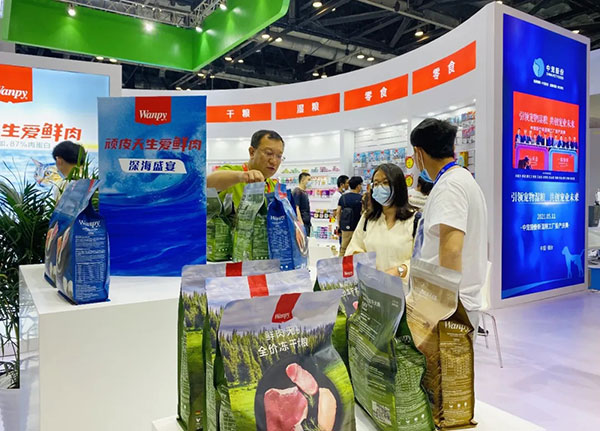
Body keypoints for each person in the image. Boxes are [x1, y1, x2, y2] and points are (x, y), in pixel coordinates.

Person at [410, 118, 488, 332]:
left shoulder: (450, 187)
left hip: (448, 308)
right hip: (452, 304)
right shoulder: (460, 180)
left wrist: (445, 310)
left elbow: (452, 250)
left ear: (418, 153)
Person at [345, 163, 417, 282]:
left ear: (398, 185)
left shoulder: (414, 220)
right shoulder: (367, 219)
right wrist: (361, 261)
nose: (379, 188)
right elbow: (354, 247)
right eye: (376, 183)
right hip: (372, 288)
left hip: (402, 289)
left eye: (385, 182)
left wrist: (400, 270)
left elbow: (422, 262)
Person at [206, 130, 284, 210]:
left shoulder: (274, 187)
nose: (274, 161)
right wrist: (241, 177)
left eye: (279, 156)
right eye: (268, 153)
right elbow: (207, 183)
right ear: (252, 152)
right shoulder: (234, 173)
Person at [337, 176, 363, 256]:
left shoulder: (343, 197)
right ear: (358, 186)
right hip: (358, 228)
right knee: (357, 249)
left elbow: (338, 212)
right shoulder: (361, 198)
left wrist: (339, 226)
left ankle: (341, 263)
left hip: (346, 228)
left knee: (343, 249)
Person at [293, 172, 312, 237]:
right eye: (308, 180)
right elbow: (296, 208)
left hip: (307, 223)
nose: (310, 182)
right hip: (302, 223)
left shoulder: (304, 192)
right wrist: (301, 224)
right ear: (302, 180)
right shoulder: (297, 191)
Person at [332, 175, 349, 244]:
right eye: (347, 183)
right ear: (342, 184)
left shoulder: (344, 195)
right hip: (341, 224)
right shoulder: (336, 196)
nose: (348, 185)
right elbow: (335, 212)